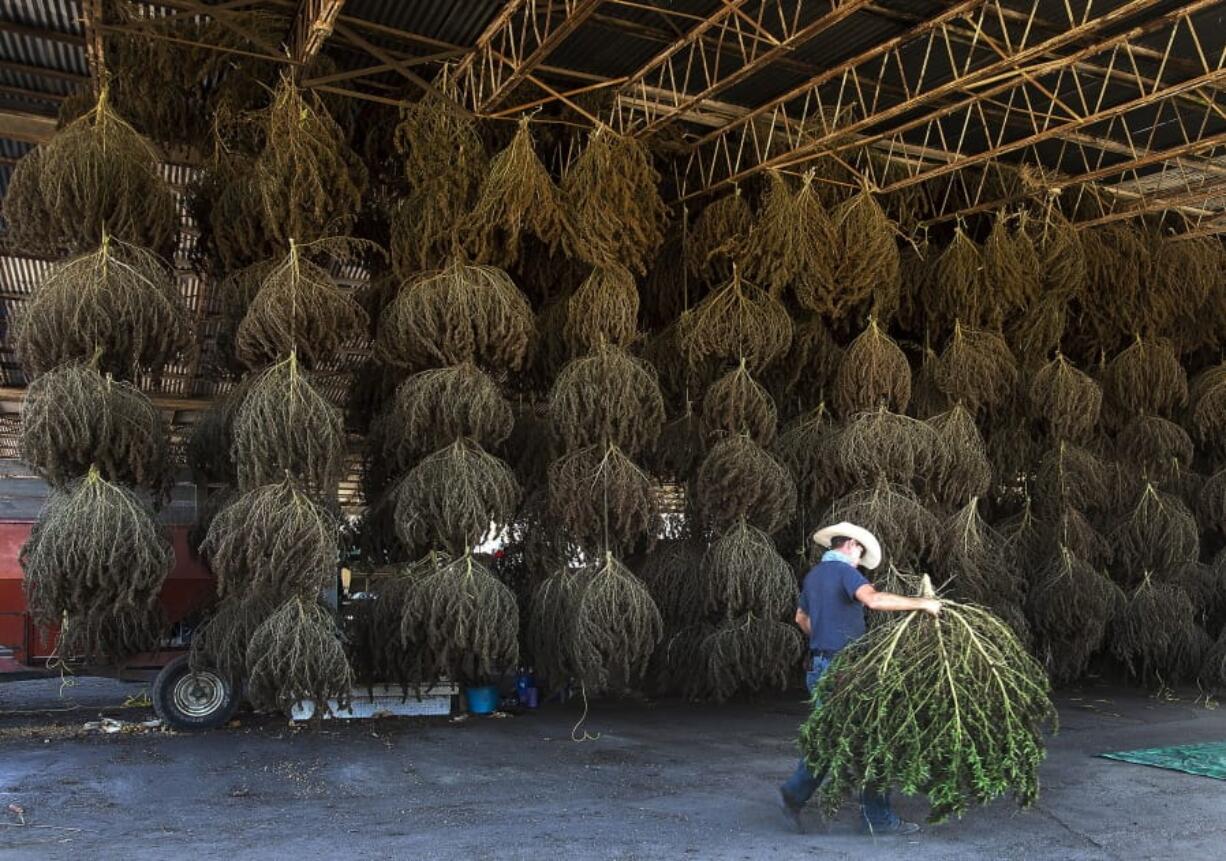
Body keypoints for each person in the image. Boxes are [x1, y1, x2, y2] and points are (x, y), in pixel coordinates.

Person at [778, 521, 942, 836]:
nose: (859, 562)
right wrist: (924, 605)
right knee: (873, 738)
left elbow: (801, 618)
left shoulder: (813, 576)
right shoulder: (845, 572)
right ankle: (878, 819)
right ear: (851, 545)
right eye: (860, 554)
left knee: (827, 739)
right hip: (844, 671)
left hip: (820, 668)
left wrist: (824, 640)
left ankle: (793, 794)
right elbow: (875, 600)